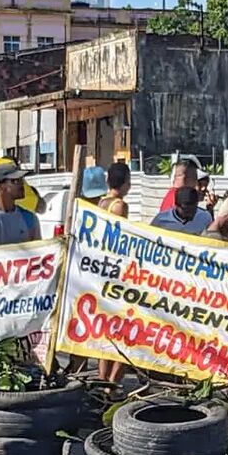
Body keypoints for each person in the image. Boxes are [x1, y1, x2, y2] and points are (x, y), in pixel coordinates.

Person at [96, 162, 132, 384]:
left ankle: (103, 381)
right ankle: (112, 382)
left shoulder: (102, 201)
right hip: (115, 272)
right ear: (126, 182)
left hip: (102, 270)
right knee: (123, 331)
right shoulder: (119, 205)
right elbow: (119, 238)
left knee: (106, 331)